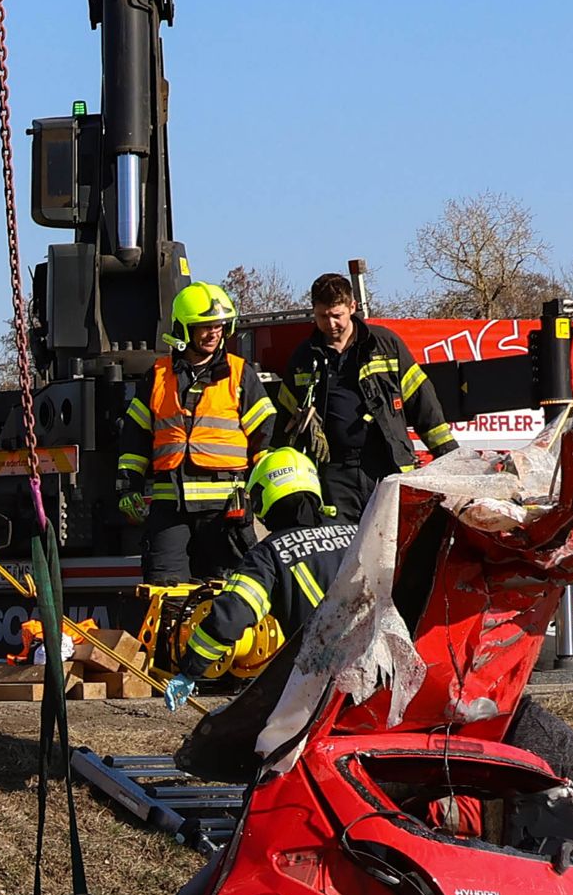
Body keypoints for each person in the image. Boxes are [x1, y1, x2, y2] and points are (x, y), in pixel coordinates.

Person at [113, 280, 278, 588]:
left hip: (226, 512)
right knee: (163, 593)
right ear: (183, 329)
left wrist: (262, 496)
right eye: (204, 326)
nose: (214, 333)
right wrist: (128, 487)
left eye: (219, 325)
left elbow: (264, 441)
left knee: (227, 595)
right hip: (170, 509)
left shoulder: (240, 374)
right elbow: (135, 437)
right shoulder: (158, 376)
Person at [168, 448, 359, 701]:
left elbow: (232, 615)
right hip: (379, 671)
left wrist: (190, 670)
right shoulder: (358, 532)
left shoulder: (270, 554)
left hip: (323, 684)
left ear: (267, 494)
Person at [278, 273, 455, 516]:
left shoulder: (386, 344)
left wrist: (451, 458)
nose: (330, 324)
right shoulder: (303, 358)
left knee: (389, 542)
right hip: (333, 473)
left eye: (337, 315)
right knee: (341, 547)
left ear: (353, 307)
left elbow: (424, 405)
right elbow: (284, 423)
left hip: (387, 465)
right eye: (322, 316)